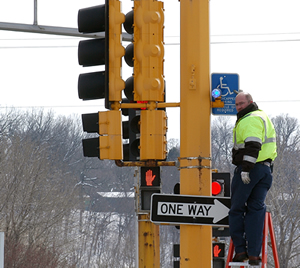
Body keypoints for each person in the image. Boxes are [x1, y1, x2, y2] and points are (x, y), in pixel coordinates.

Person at [229, 92, 277, 265]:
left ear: (250, 102)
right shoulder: (263, 117)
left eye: (242, 103)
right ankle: (255, 255)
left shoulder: (250, 119)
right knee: (256, 211)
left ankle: (241, 251)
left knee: (236, 209)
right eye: (237, 104)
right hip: (265, 170)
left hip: (251, 169)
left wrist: (245, 170)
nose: (239, 107)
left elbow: (253, 146)